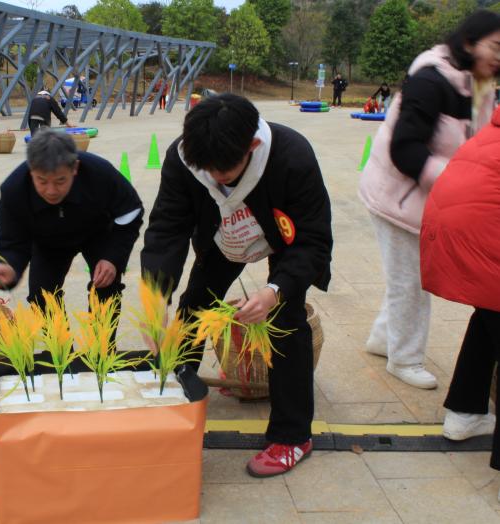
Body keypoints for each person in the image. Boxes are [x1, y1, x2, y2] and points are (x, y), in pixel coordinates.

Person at [141, 94, 333, 477]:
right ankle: (173, 396)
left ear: (253, 146)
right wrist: (153, 296)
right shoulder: (183, 160)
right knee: (194, 305)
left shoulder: (291, 155)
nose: (215, 177)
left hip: (284, 239)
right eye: (206, 169)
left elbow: (313, 239)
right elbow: (167, 228)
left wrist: (274, 289)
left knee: (285, 318)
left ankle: (292, 436)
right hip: (222, 239)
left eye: (224, 169)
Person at [358, 10, 500, 390]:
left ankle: (381, 340)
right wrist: (457, 178)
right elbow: (404, 149)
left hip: (429, 198)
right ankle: (404, 359)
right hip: (398, 198)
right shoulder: (430, 82)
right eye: (496, 47)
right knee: (413, 281)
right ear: (469, 43)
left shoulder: (480, 84)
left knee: (406, 276)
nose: (499, 58)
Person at [420, 104, 500, 486]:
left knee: (490, 314)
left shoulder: (493, 127)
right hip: (482, 236)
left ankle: (465, 414)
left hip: (452, 230)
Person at [0, 129, 144, 317]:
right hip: (48, 241)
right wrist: (10, 266)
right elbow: (13, 239)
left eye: (60, 181)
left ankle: (102, 346)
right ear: (31, 170)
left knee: (107, 289)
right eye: (41, 181)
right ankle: (59, 346)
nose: (51, 191)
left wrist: (113, 257)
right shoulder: (14, 189)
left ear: (74, 168)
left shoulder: (99, 173)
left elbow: (131, 211)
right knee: (41, 297)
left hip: (98, 233)